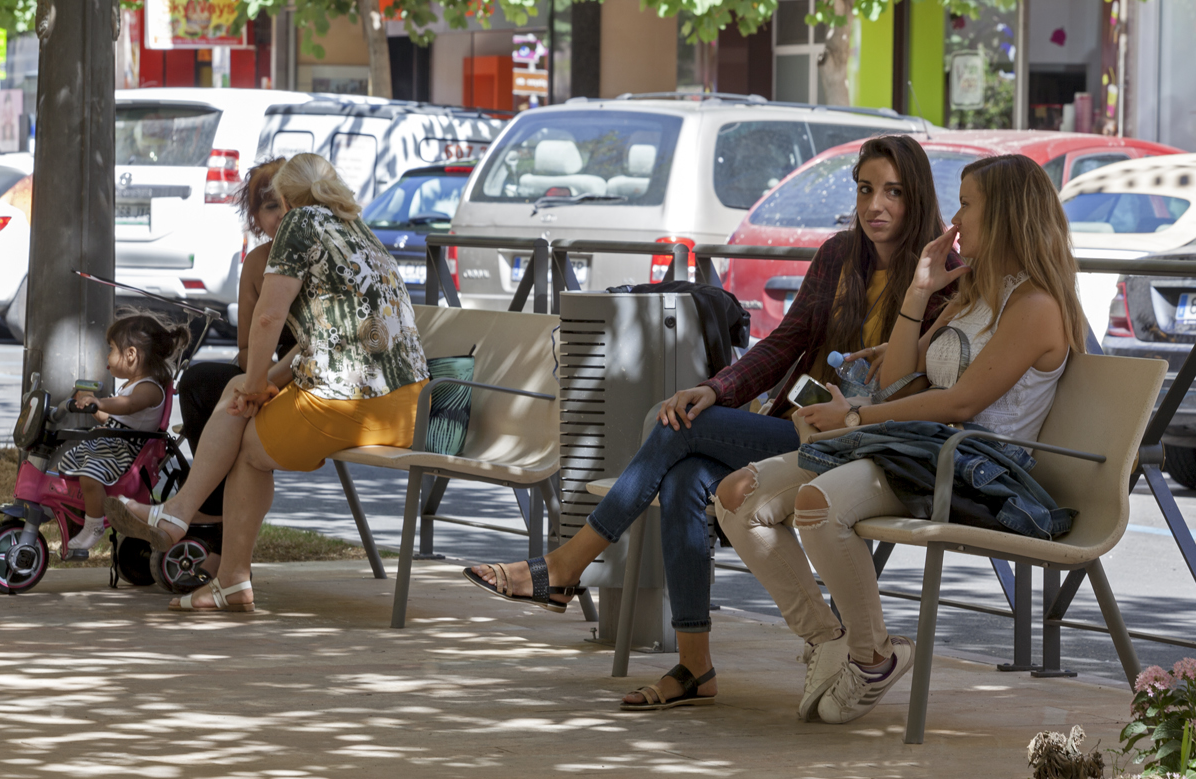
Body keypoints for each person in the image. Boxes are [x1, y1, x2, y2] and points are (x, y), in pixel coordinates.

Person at [463, 134, 959, 710]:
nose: (875, 205)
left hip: (858, 446)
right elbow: (787, 342)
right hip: (801, 431)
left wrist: (717, 399)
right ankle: (695, 667)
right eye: (866, 189)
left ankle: (565, 565)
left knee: (685, 428)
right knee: (684, 474)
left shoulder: (939, 274)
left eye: (893, 192)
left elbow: (927, 384)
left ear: (916, 196)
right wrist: (716, 387)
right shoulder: (838, 256)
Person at [714, 153, 1089, 725]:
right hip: (914, 448)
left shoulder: (1034, 306)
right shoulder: (972, 292)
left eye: (967, 205)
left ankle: (870, 659)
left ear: (1007, 215)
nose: (955, 220)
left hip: (971, 466)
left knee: (817, 504)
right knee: (738, 494)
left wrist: (857, 421)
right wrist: (918, 291)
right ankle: (829, 640)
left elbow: (962, 404)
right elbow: (894, 384)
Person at [109, 152, 430, 612]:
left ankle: (212, 555)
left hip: (347, 405)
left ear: (288, 195)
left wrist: (255, 383)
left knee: (245, 447)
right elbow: (319, 341)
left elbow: (267, 320)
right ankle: (192, 533)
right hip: (408, 408)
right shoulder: (358, 231)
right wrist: (257, 385)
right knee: (237, 399)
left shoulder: (301, 224)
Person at [174, 158, 294, 574]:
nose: (282, 214)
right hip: (276, 378)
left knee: (234, 408)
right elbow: (246, 346)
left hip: (319, 379)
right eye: (270, 206)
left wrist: (258, 383)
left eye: (289, 202)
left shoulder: (315, 253)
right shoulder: (257, 263)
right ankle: (208, 514)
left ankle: (199, 518)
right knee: (199, 380)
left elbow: (320, 347)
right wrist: (254, 378)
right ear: (256, 217)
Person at [57, 313, 189, 553]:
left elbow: (128, 406)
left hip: (125, 451)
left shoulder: (148, 388)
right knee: (69, 466)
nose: (107, 355)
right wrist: (94, 408)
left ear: (130, 355)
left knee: (89, 474)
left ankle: (94, 526)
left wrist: (101, 402)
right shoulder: (130, 385)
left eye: (111, 349)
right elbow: (115, 417)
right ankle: (78, 515)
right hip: (112, 443)